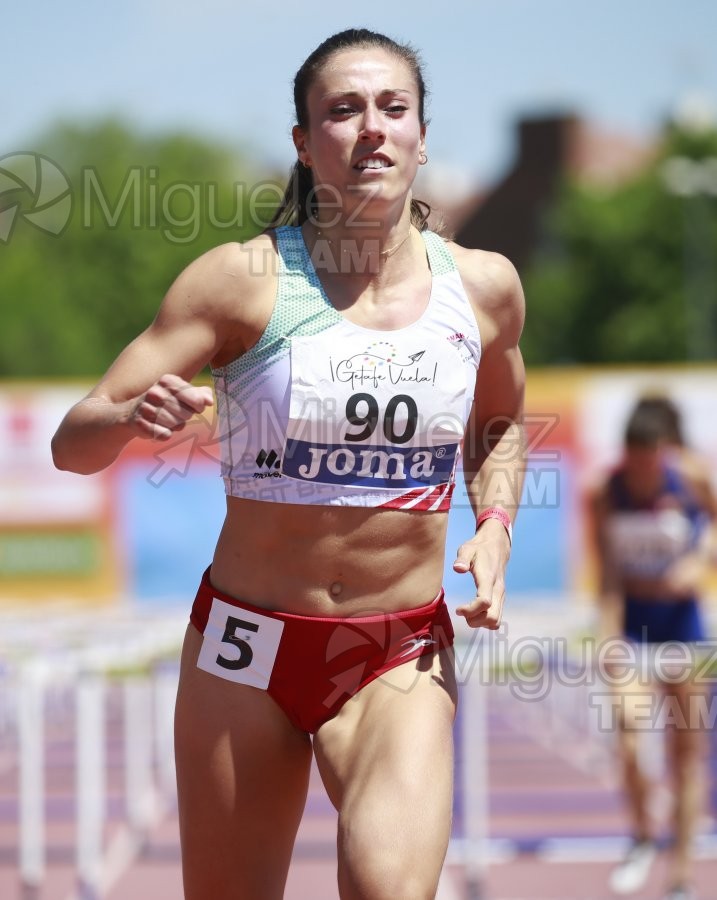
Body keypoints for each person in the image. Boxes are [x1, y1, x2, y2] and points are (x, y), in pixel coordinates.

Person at [51, 28, 526, 900]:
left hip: (396, 652)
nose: (371, 129)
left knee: (391, 887)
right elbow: (71, 443)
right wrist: (129, 416)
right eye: (342, 110)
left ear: (423, 132)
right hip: (246, 650)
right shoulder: (242, 282)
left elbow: (497, 423)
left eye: (393, 107)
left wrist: (494, 524)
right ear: (306, 143)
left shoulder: (484, 289)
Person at [591, 397, 716, 900]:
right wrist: (607, 631)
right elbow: (609, 573)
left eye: (652, 460)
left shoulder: (691, 479)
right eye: (636, 460)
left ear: (664, 451)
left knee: (686, 755)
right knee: (626, 739)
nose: (644, 470)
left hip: (685, 631)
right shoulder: (608, 491)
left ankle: (682, 873)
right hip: (636, 631)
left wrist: (702, 559)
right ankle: (644, 833)